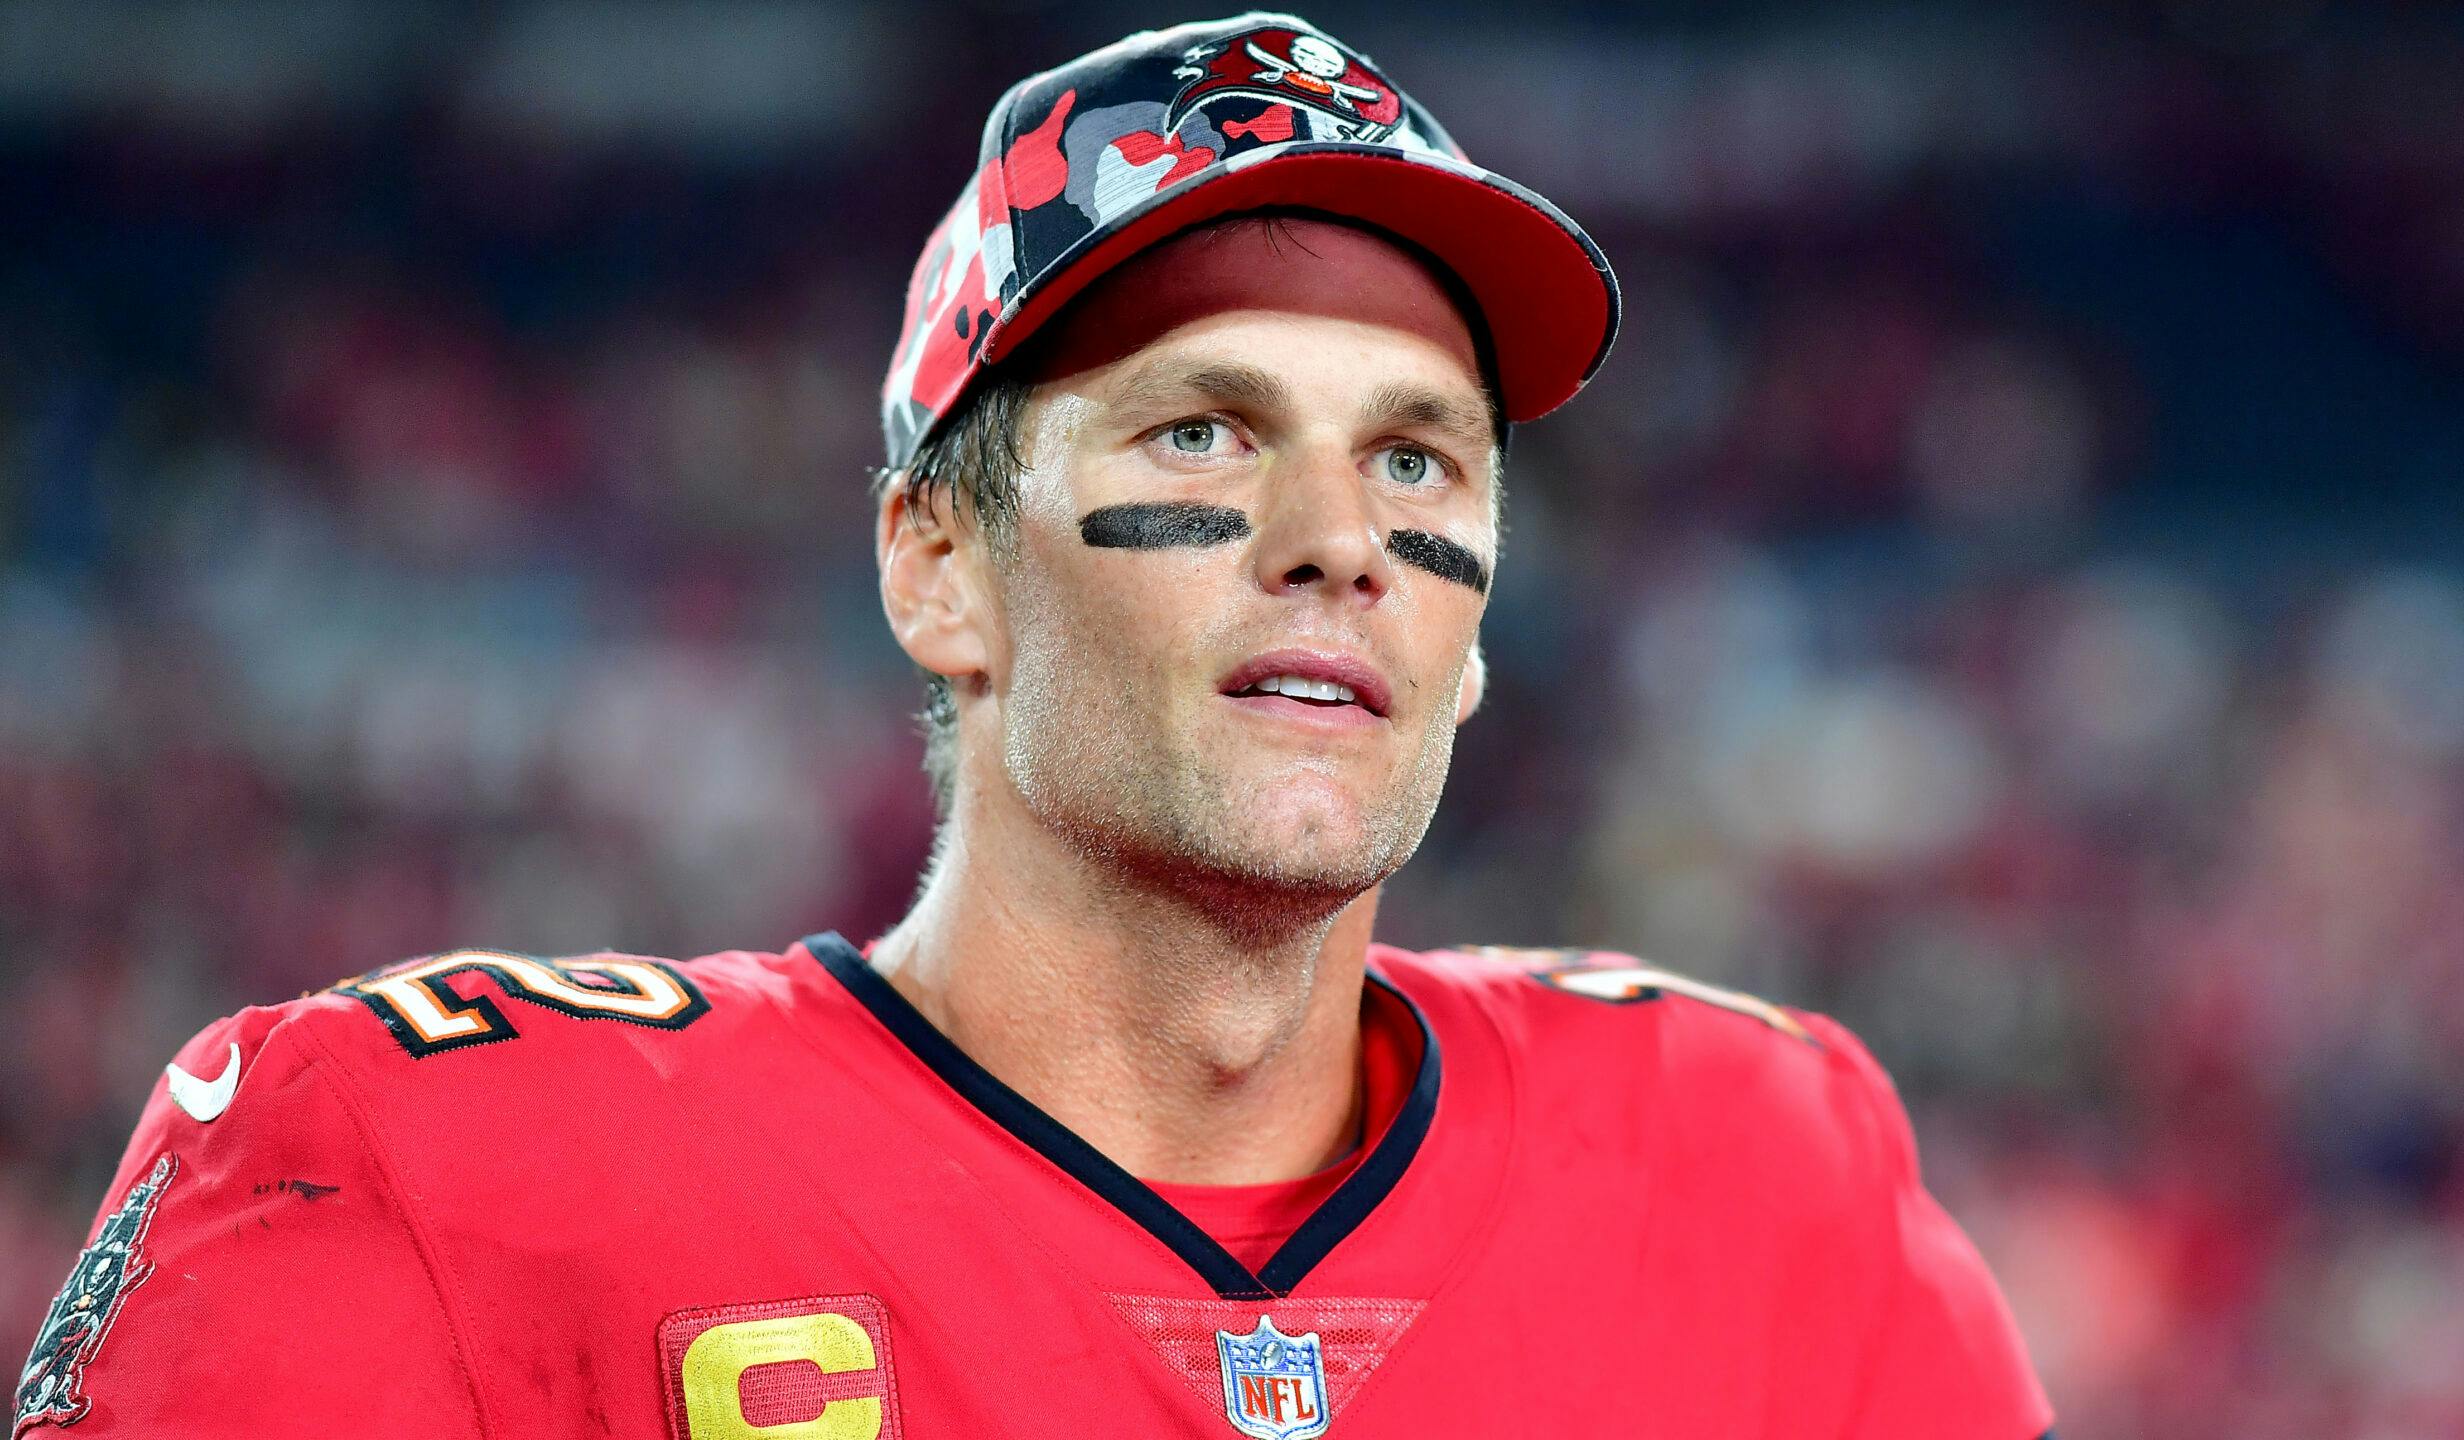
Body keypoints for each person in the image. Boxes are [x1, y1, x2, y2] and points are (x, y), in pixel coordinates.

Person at [17, 15, 2052, 1439]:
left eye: (1418, 461)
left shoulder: (1764, 1163)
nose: (1338, 539)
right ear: (938, 568)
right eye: (1203, 430)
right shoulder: (412, 1157)